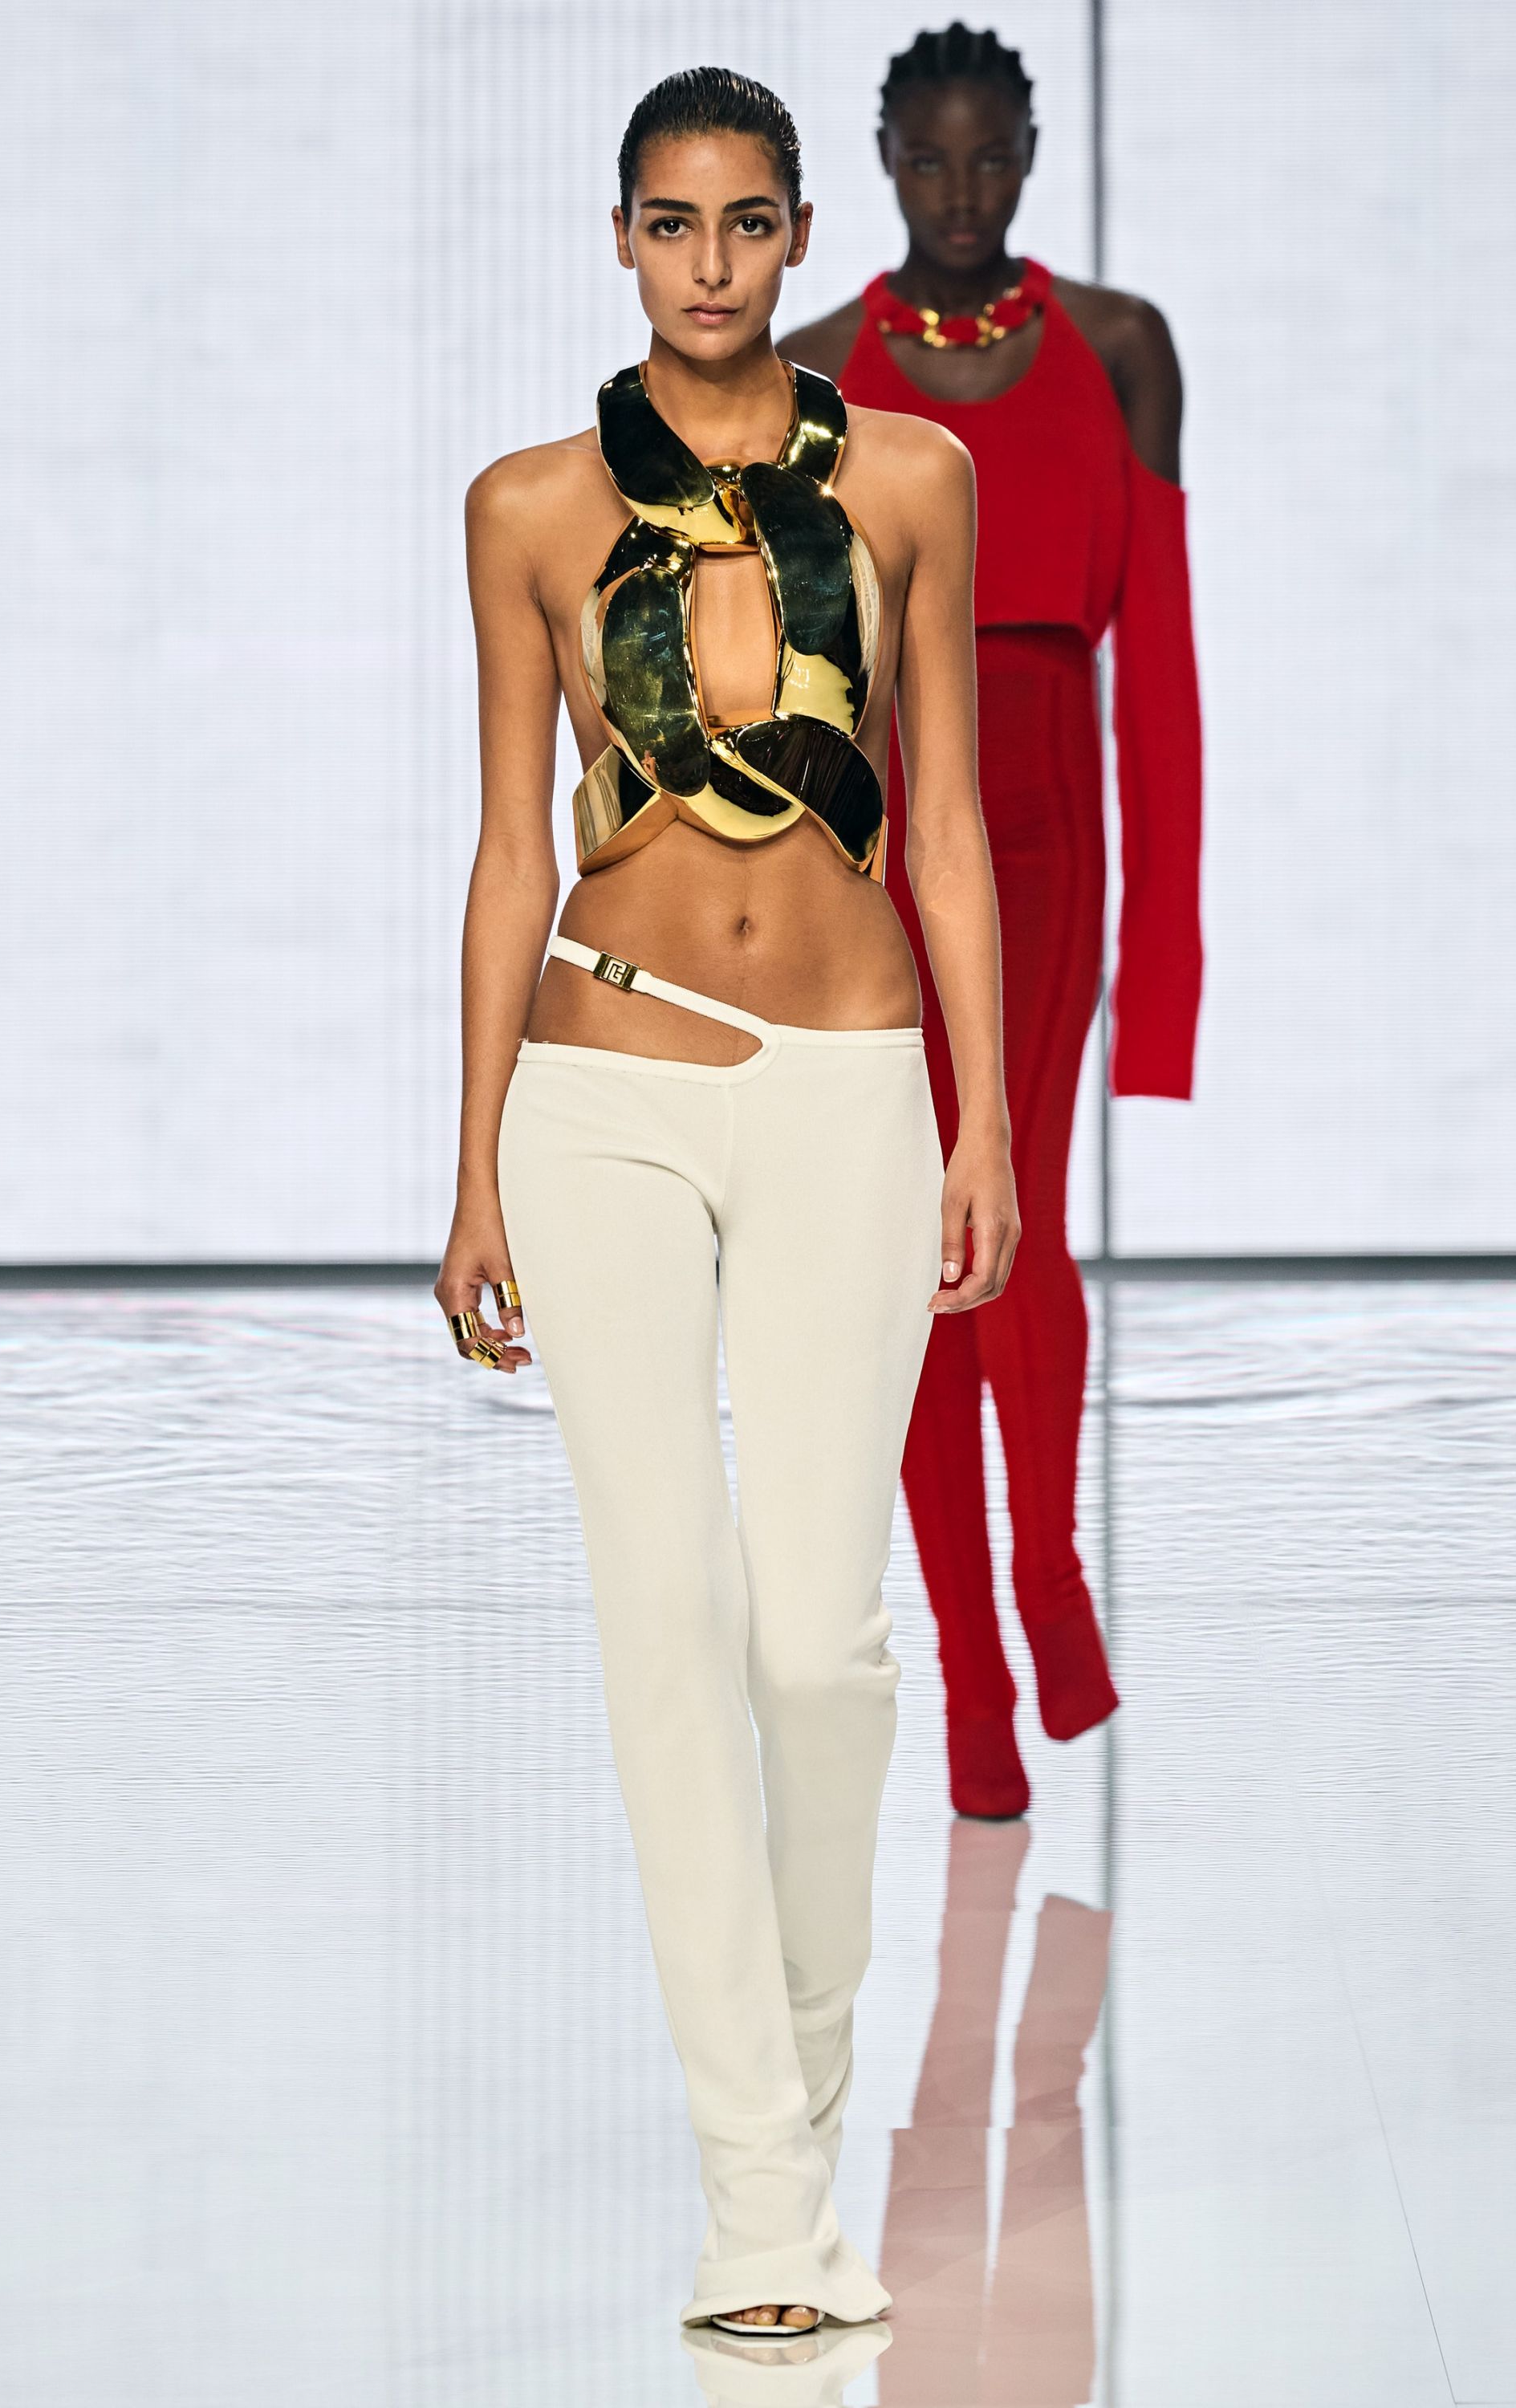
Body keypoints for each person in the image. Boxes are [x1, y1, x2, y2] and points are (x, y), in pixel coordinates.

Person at [434, 66, 1019, 2339]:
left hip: (851, 1083)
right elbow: (512, 846)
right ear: (618, 238)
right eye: (669, 223)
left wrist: (983, 1123)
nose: (707, 262)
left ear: (795, 237)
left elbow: (944, 823)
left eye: (745, 222)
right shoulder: (526, 508)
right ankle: (763, 2208)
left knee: (815, 1647)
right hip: (599, 1085)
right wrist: (470, 1161)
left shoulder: (912, 481)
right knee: (666, 1627)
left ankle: (800, 2099)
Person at [784, 22, 1203, 1822]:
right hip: (882, 817)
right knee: (910, 1236)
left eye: (991, 156)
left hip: (1050, 808)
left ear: (1030, 153)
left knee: (1004, 1194)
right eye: (928, 158)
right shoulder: (817, 369)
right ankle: (971, 1658)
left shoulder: (1122, 349)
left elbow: (1158, 659)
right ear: (885, 162)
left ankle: (1046, 1567)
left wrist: (1168, 973)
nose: (961, 191)